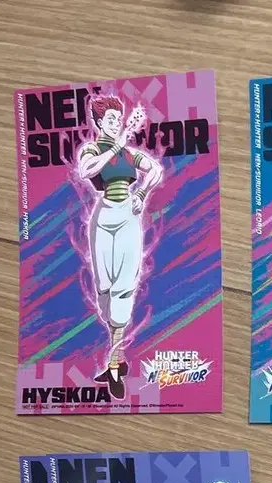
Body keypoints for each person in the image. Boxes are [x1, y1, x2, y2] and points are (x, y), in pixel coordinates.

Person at [78, 96, 162, 400]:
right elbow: (87, 171)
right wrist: (115, 147)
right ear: (99, 122)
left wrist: (141, 194)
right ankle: (118, 354)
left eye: (118, 119)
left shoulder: (129, 153)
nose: (116, 123)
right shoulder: (92, 149)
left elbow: (155, 169)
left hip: (127, 216)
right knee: (103, 288)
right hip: (102, 219)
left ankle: (114, 364)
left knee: (124, 288)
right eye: (110, 119)